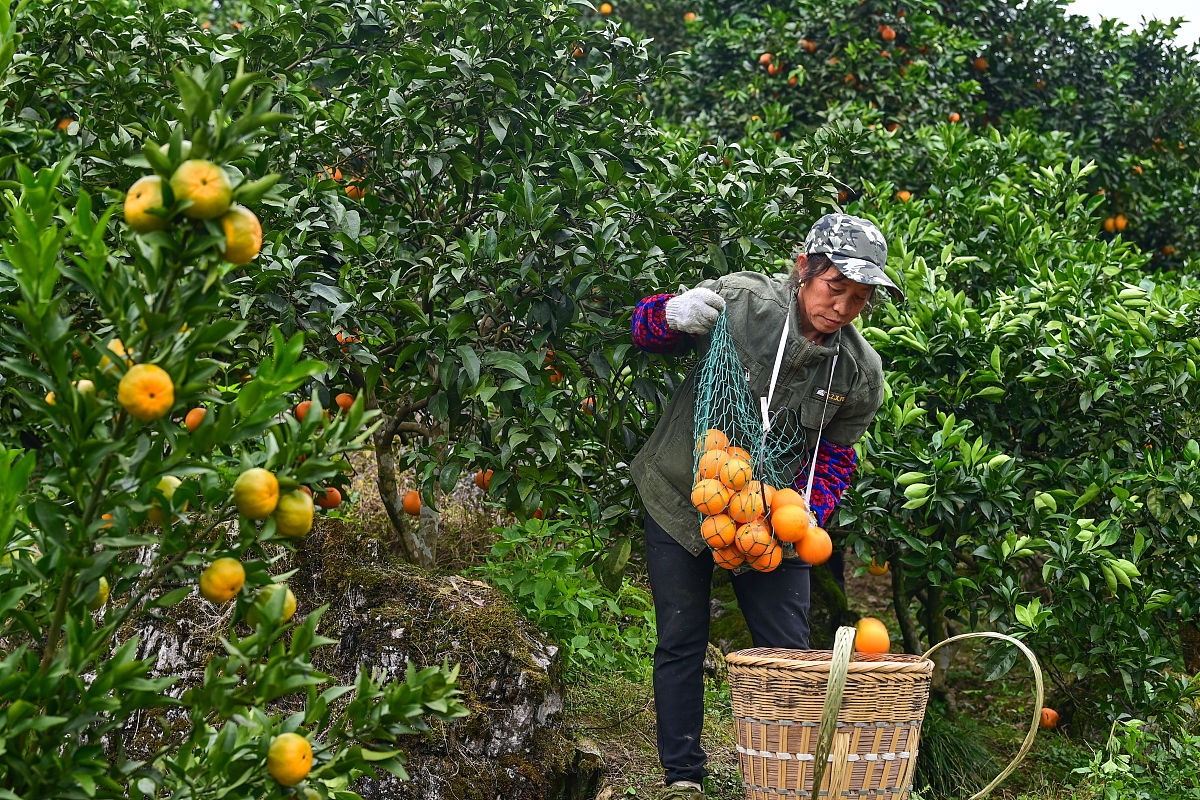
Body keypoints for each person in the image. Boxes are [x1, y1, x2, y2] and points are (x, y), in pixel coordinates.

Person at [629, 213, 903, 800]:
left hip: (768, 518)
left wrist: (806, 515)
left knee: (788, 651)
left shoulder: (860, 372)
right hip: (682, 492)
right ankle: (683, 776)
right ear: (804, 269)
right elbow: (646, 331)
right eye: (836, 288)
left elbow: (835, 456)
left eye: (859, 299)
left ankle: (790, 779)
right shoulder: (742, 302)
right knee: (681, 636)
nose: (843, 308)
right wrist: (668, 313)